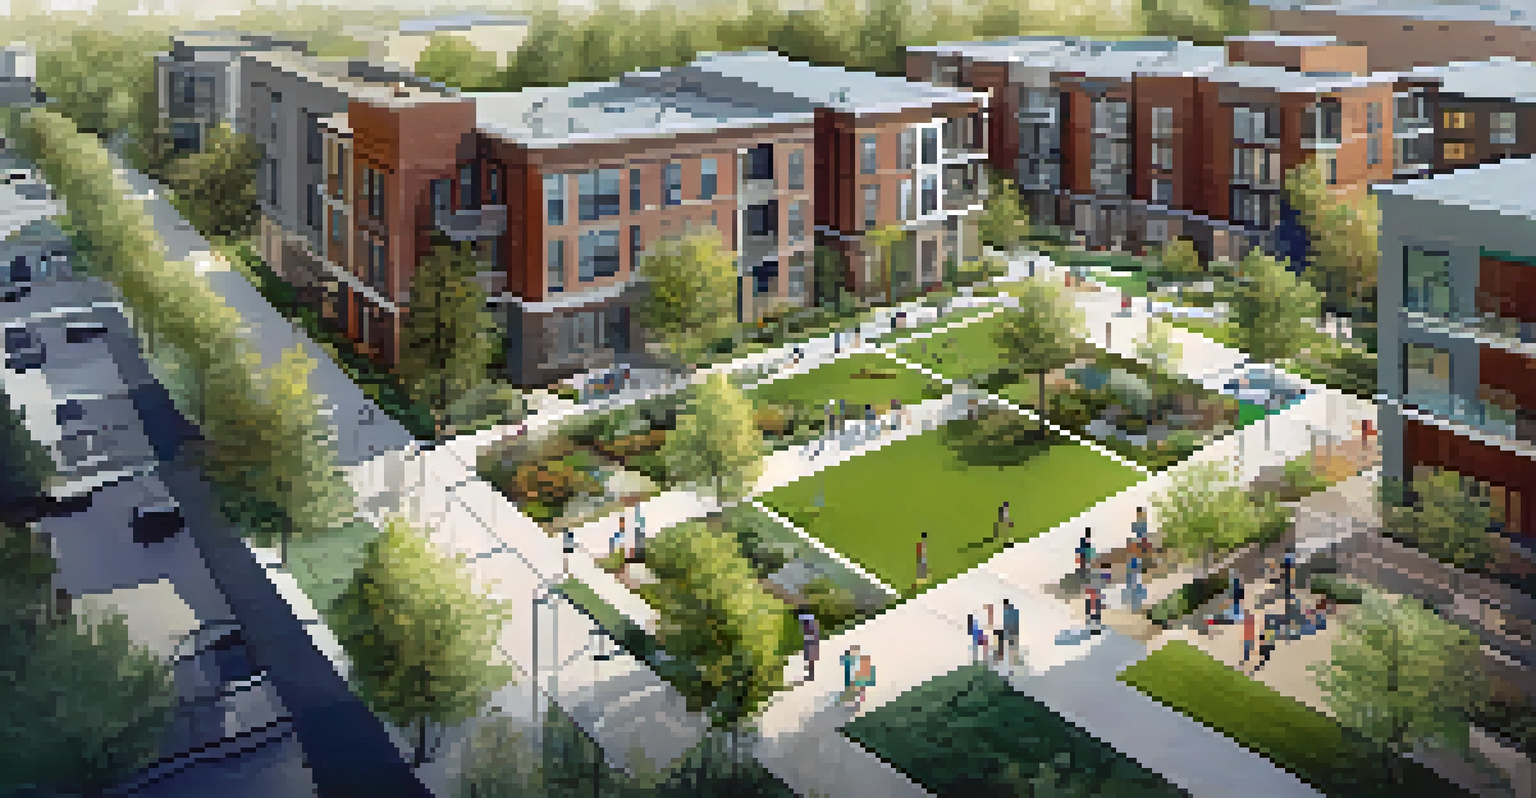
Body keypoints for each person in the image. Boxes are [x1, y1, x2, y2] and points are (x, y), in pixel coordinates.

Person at [799, 608, 822, 681]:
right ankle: (810, 674)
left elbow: (812, 632)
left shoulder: (809, 621)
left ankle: (811, 674)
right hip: (810, 641)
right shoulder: (811, 620)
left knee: (810, 659)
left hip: (811, 641)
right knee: (809, 659)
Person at [1003, 599, 1021, 664]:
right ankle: (1015, 661)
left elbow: (1006, 623)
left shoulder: (1006, 612)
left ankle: (1012, 662)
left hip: (1009, 632)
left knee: (1010, 648)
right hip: (1014, 632)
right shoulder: (1015, 611)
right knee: (1014, 648)